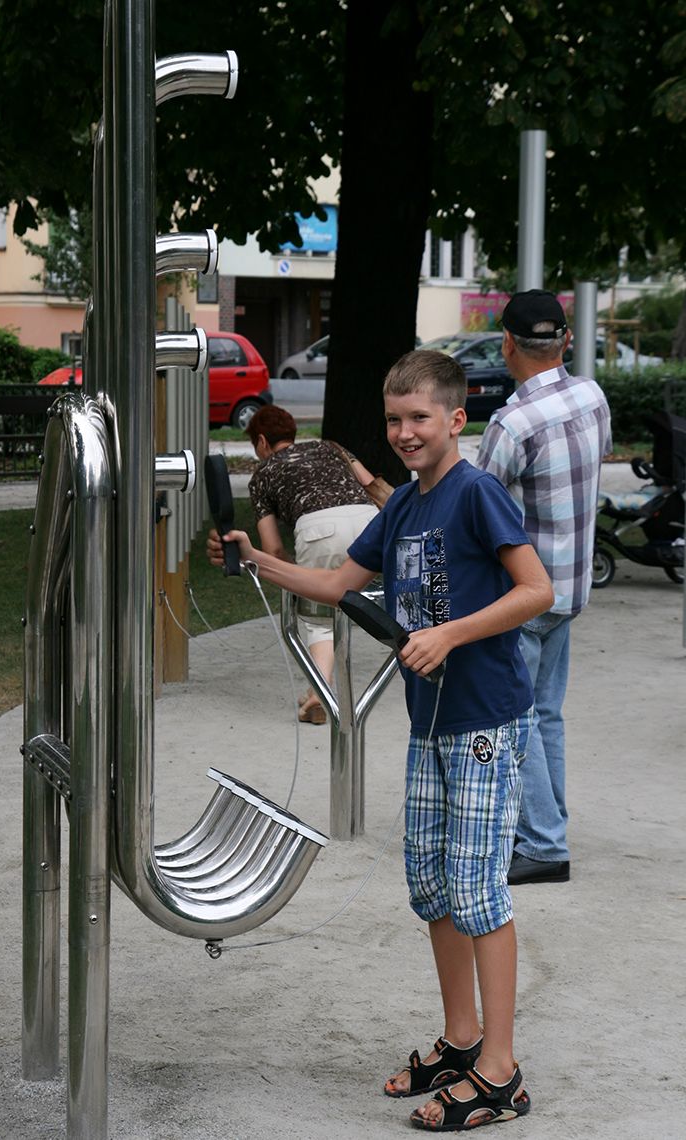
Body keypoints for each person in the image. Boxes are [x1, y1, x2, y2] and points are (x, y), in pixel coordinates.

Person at [209, 350, 554, 1131]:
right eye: (394, 419)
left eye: (420, 418)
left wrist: (452, 635)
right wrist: (257, 559)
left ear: (456, 420)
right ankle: (463, 1042)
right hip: (429, 721)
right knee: (431, 886)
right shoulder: (401, 508)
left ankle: (501, 1073)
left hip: (485, 723)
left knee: (475, 890)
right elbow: (335, 585)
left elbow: (538, 589)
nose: (404, 432)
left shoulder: (476, 494)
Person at [477, 289, 612, 886]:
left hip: (526, 594)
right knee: (547, 714)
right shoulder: (592, 395)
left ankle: (544, 844)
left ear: (507, 344)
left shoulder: (511, 421)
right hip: (573, 586)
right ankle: (548, 825)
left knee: (519, 718)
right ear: (565, 341)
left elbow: (475, 503)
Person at [244, 404, 379, 723]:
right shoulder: (330, 446)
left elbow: (273, 550)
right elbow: (370, 482)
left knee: (318, 616)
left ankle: (320, 691)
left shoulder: (263, 474)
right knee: (364, 600)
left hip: (319, 529)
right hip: (369, 520)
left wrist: (299, 577)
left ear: (262, 441)